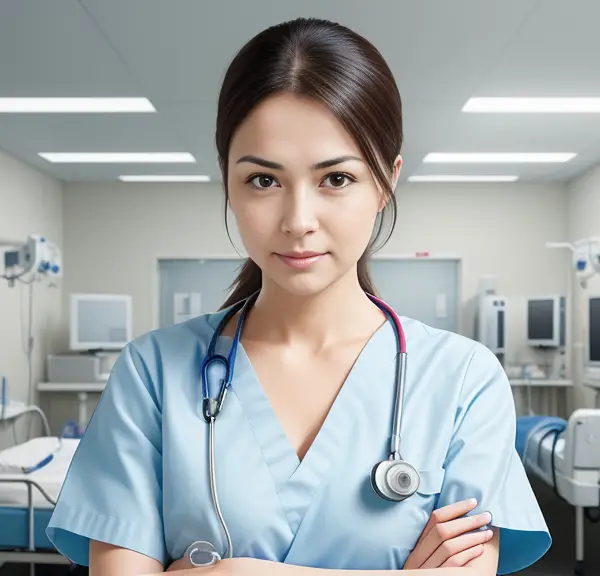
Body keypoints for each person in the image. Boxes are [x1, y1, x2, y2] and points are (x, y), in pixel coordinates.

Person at [46, 17, 551, 576]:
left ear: (386, 181)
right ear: (228, 182)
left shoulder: (463, 380)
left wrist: (239, 573)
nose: (298, 221)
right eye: (264, 180)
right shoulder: (152, 373)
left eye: (335, 179)